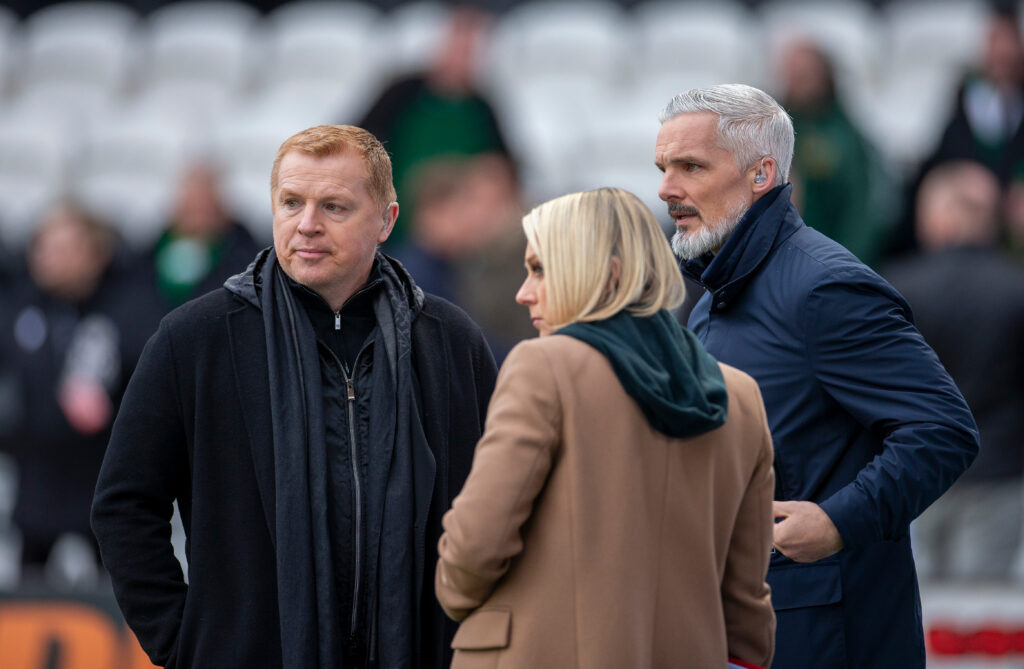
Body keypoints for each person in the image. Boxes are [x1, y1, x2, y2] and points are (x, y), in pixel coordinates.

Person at [91, 125, 498, 668]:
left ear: (386, 221)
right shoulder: (196, 338)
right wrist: (187, 644)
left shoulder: (450, 342)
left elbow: (494, 510)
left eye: (333, 206)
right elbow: (123, 504)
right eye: (291, 203)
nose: (307, 225)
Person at [656, 84, 979, 668]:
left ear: (761, 174)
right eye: (662, 168)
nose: (666, 188)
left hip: (827, 634)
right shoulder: (709, 298)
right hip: (743, 624)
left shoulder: (824, 287)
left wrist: (838, 520)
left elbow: (944, 429)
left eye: (690, 166)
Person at [435, 187, 776, 668]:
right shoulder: (740, 396)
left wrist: (452, 589)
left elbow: (476, 543)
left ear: (607, 274)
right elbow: (745, 600)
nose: (523, 292)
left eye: (539, 269)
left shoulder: (543, 367)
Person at [884, 160, 1024, 583]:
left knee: (919, 610)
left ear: (937, 216)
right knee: (980, 621)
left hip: (915, 472)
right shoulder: (1015, 289)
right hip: (999, 472)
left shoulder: (897, 287)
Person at [0, 202, 149, 582]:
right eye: (46, 249)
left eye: (66, 249)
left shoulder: (126, 310)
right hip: (36, 481)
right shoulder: (19, 309)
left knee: (112, 588)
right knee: (29, 587)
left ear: (94, 253)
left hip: (103, 482)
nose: (52, 260)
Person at [356, 5, 514, 246]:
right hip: (395, 217)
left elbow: (503, 167)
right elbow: (356, 139)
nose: (462, 56)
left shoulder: (483, 107)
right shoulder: (402, 94)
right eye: (457, 46)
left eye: (471, 49)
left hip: (460, 229)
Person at [778, 39, 894, 268]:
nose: (796, 81)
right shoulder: (773, 126)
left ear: (824, 76)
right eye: (792, 73)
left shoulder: (846, 136)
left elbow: (861, 208)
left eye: (805, 73)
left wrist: (846, 263)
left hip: (832, 259)